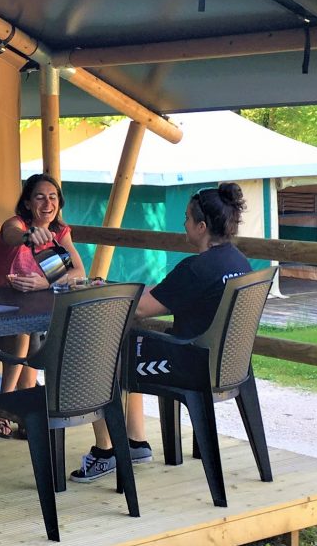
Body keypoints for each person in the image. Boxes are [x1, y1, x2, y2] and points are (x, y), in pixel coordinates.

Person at [69, 182, 251, 482]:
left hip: (187, 367)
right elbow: (166, 293)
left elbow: (141, 309)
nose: (184, 224)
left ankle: (106, 450)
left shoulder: (196, 268)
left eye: (187, 219)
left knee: (101, 350)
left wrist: (105, 296)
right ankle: (136, 441)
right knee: (127, 346)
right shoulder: (236, 261)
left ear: (202, 226)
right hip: (227, 364)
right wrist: (116, 289)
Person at [0, 174, 88, 438]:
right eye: (40, 197)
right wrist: (28, 235)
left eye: (53, 197)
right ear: (28, 203)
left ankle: (26, 406)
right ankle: (4, 405)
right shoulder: (17, 224)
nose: (47, 203)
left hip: (34, 307)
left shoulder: (59, 233)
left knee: (37, 333)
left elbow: (78, 272)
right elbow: (11, 234)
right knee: (26, 332)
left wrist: (45, 282)